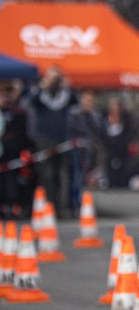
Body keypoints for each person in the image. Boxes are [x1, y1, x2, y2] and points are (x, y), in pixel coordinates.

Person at [27, 66, 77, 211]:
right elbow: (30, 101)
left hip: (61, 138)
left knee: (59, 173)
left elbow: (75, 102)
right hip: (44, 138)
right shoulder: (40, 93)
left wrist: (66, 85)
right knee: (46, 172)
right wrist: (42, 85)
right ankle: (47, 203)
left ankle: (59, 206)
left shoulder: (65, 94)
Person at [1, 80, 35, 218]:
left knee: (14, 179)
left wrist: (27, 148)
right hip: (3, 151)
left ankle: (13, 205)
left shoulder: (18, 111)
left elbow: (23, 133)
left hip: (14, 151)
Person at [66, 90, 102, 216]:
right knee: (75, 176)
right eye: (86, 100)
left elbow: (97, 129)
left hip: (87, 149)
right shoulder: (74, 113)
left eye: (90, 101)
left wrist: (91, 115)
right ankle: (74, 203)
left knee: (83, 176)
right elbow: (71, 128)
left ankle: (80, 202)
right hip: (75, 148)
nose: (88, 103)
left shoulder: (94, 115)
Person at [101, 96, 134, 189]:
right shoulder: (104, 119)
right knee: (109, 164)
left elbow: (128, 133)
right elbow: (102, 132)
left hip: (121, 148)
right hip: (109, 147)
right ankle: (110, 182)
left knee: (121, 165)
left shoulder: (125, 119)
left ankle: (121, 183)